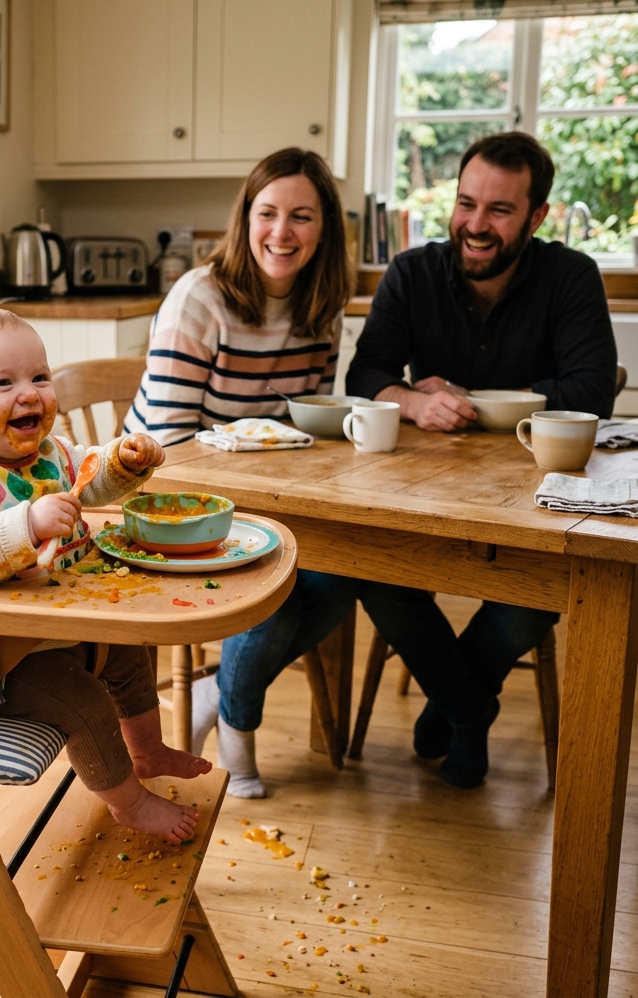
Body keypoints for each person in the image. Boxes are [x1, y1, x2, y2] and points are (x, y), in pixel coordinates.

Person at [346, 131, 617, 788]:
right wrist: (413, 402)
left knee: (538, 593)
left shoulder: (571, 275)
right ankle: (470, 709)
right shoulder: (411, 273)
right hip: (424, 490)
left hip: (536, 492)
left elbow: (592, 390)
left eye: (499, 210)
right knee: (372, 567)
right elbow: (366, 375)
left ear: (537, 216)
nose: (475, 224)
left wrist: (477, 401)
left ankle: (451, 701)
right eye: (467, 203)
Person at [0, 305, 211, 842]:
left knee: (133, 652)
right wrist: (24, 524)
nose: (29, 394)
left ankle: (147, 750)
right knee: (86, 703)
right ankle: (128, 803)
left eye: (39, 377)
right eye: (2, 383)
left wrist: (123, 462)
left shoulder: (45, 453)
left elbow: (89, 478)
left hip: (60, 627)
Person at [124, 147, 359, 798]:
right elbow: (168, 444)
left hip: (265, 495)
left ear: (325, 229)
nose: (282, 232)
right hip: (170, 497)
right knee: (273, 600)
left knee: (342, 579)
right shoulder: (200, 299)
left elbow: (304, 422)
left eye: (302, 216)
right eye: (268, 213)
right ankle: (237, 734)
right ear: (245, 218)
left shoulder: (323, 307)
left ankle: (212, 696)